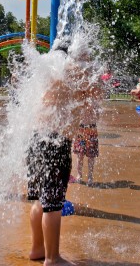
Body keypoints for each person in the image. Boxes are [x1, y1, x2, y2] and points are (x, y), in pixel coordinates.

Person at [27, 42, 104, 265]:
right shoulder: (73, 72)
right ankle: (53, 258)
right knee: (53, 204)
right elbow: (96, 93)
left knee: (40, 201)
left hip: (36, 140)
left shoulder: (49, 75)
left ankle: (37, 249)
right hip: (55, 143)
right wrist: (90, 66)